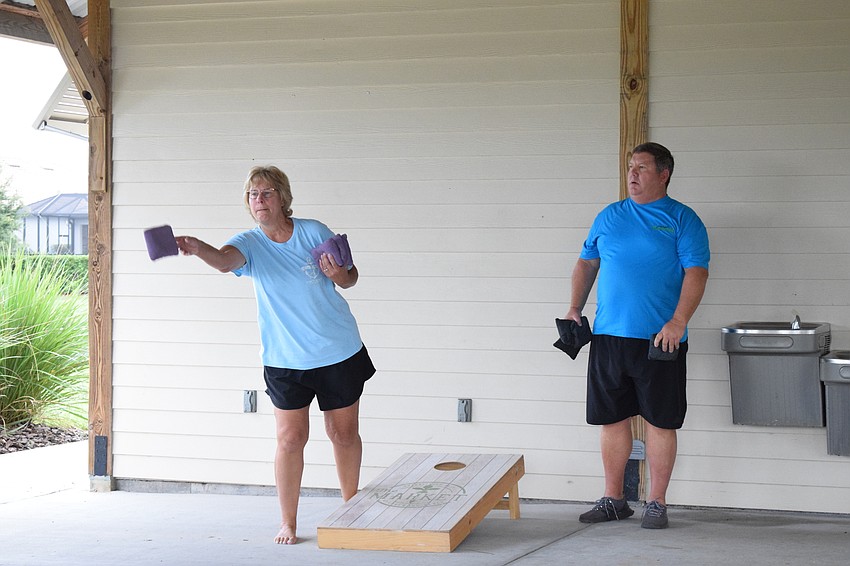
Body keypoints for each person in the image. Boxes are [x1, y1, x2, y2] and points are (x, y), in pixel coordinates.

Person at [175, 165, 375, 545]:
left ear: (283, 197)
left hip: (337, 351)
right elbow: (224, 261)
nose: (259, 200)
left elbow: (351, 277)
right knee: (289, 438)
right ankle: (288, 522)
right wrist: (198, 247)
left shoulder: (314, 231)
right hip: (285, 360)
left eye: (266, 193)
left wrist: (339, 275)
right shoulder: (249, 243)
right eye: (252, 195)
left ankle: (351, 508)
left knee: (342, 432)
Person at [564, 142, 709, 529]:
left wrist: (678, 321)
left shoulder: (682, 219)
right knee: (611, 420)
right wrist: (575, 307)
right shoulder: (609, 216)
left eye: (642, 168)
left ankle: (657, 503)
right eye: (630, 167)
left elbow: (697, 272)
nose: (633, 174)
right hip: (610, 337)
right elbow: (586, 262)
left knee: (661, 422)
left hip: (661, 339)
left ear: (663, 174)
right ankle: (614, 499)